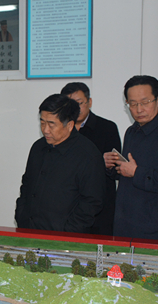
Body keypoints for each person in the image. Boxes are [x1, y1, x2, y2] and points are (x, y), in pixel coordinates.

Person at [103, 76, 158, 241]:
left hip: (153, 229)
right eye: (132, 104)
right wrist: (112, 166)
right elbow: (127, 172)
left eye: (145, 102)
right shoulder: (132, 131)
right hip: (124, 222)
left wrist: (136, 172)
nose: (139, 109)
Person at [15, 94, 105, 233]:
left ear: (69, 125)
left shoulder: (88, 155)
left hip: (64, 237)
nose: (45, 130)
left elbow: (91, 202)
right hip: (30, 230)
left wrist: (68, 231)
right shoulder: (38, 147)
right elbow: (27, 183)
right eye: (42, 122)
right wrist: (21, 215)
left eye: (51, 124)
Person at [60, 82, 121, 235]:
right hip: (67, 208)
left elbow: (117, 170)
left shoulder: (107, 128)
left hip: (99, 210)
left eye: (79, 103)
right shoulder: (59, 131)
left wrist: (105, 164)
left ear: (89, 102)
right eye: (70, 105)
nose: (75, 108)